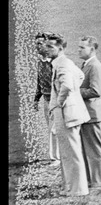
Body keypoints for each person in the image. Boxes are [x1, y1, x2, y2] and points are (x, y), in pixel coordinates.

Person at [44, 33, 90, 196]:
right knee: (69, 152)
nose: (46, 49)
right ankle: (71, 187)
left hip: (66, 114)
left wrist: (59, 103)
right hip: (69, 112)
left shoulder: (62, 63)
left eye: (51, 46)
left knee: (71, 152)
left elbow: (67, 86)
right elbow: (80, 75)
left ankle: (77, 189)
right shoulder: (64, 62)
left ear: (61, 48)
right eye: (46, 46)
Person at [77, 36, 101, 188]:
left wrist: (75, 91)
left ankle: (100, 180)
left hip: (92, 113)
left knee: (95, 148)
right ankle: (93, 179)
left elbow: (95, 91)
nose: (79, 50)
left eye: (82, 47)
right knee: (89, 148)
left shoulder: (95, 66)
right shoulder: (86, 64)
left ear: (92, 49)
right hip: (87, 113)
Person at [33, 32, 60, 167]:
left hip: (55, 100)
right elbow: (39, 82)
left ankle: (56, 158)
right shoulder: (40, 62)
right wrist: (36, 99)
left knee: (55, 128)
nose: (36, 47)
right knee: (51, 128)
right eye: (36, 44)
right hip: (46, 100)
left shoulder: (54, 63)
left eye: (40, 43)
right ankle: (55, 156)